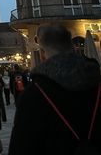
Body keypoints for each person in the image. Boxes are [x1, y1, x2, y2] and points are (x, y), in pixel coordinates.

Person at [9, 24, 101, 155]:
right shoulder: (96, 80)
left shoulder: (34, 95)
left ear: (42, 54)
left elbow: (21, 147)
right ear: (73, 47)